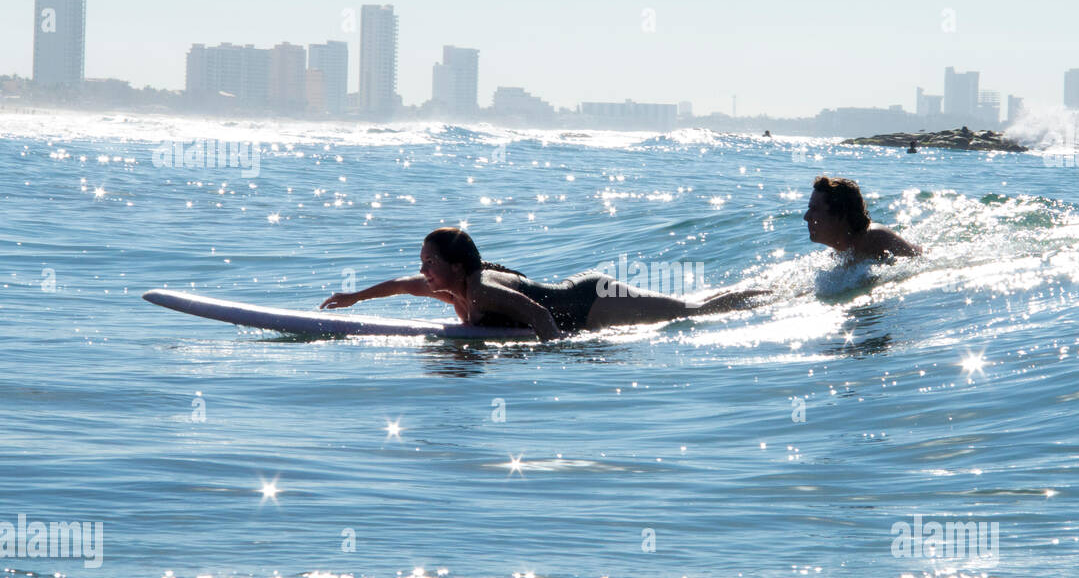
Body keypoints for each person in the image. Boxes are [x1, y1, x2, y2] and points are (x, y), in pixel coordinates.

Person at [320, 227, 767, 340]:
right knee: (686, 304)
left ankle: (767, 295)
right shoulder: (445, 285)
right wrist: (354, 297)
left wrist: (559, 354)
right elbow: (399, 285)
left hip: (591, 302)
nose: (423, 271)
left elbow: (537, 314)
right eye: (423, 263)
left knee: (690, 312)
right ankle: (755, 291)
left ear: (457, 267)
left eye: (430, 263)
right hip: (577, 295)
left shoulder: (480, 290)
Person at [802, 175, 921, 262]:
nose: (806, 217)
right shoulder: (838, 255)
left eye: (815, 209)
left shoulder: (873, 238)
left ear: (840, 215)